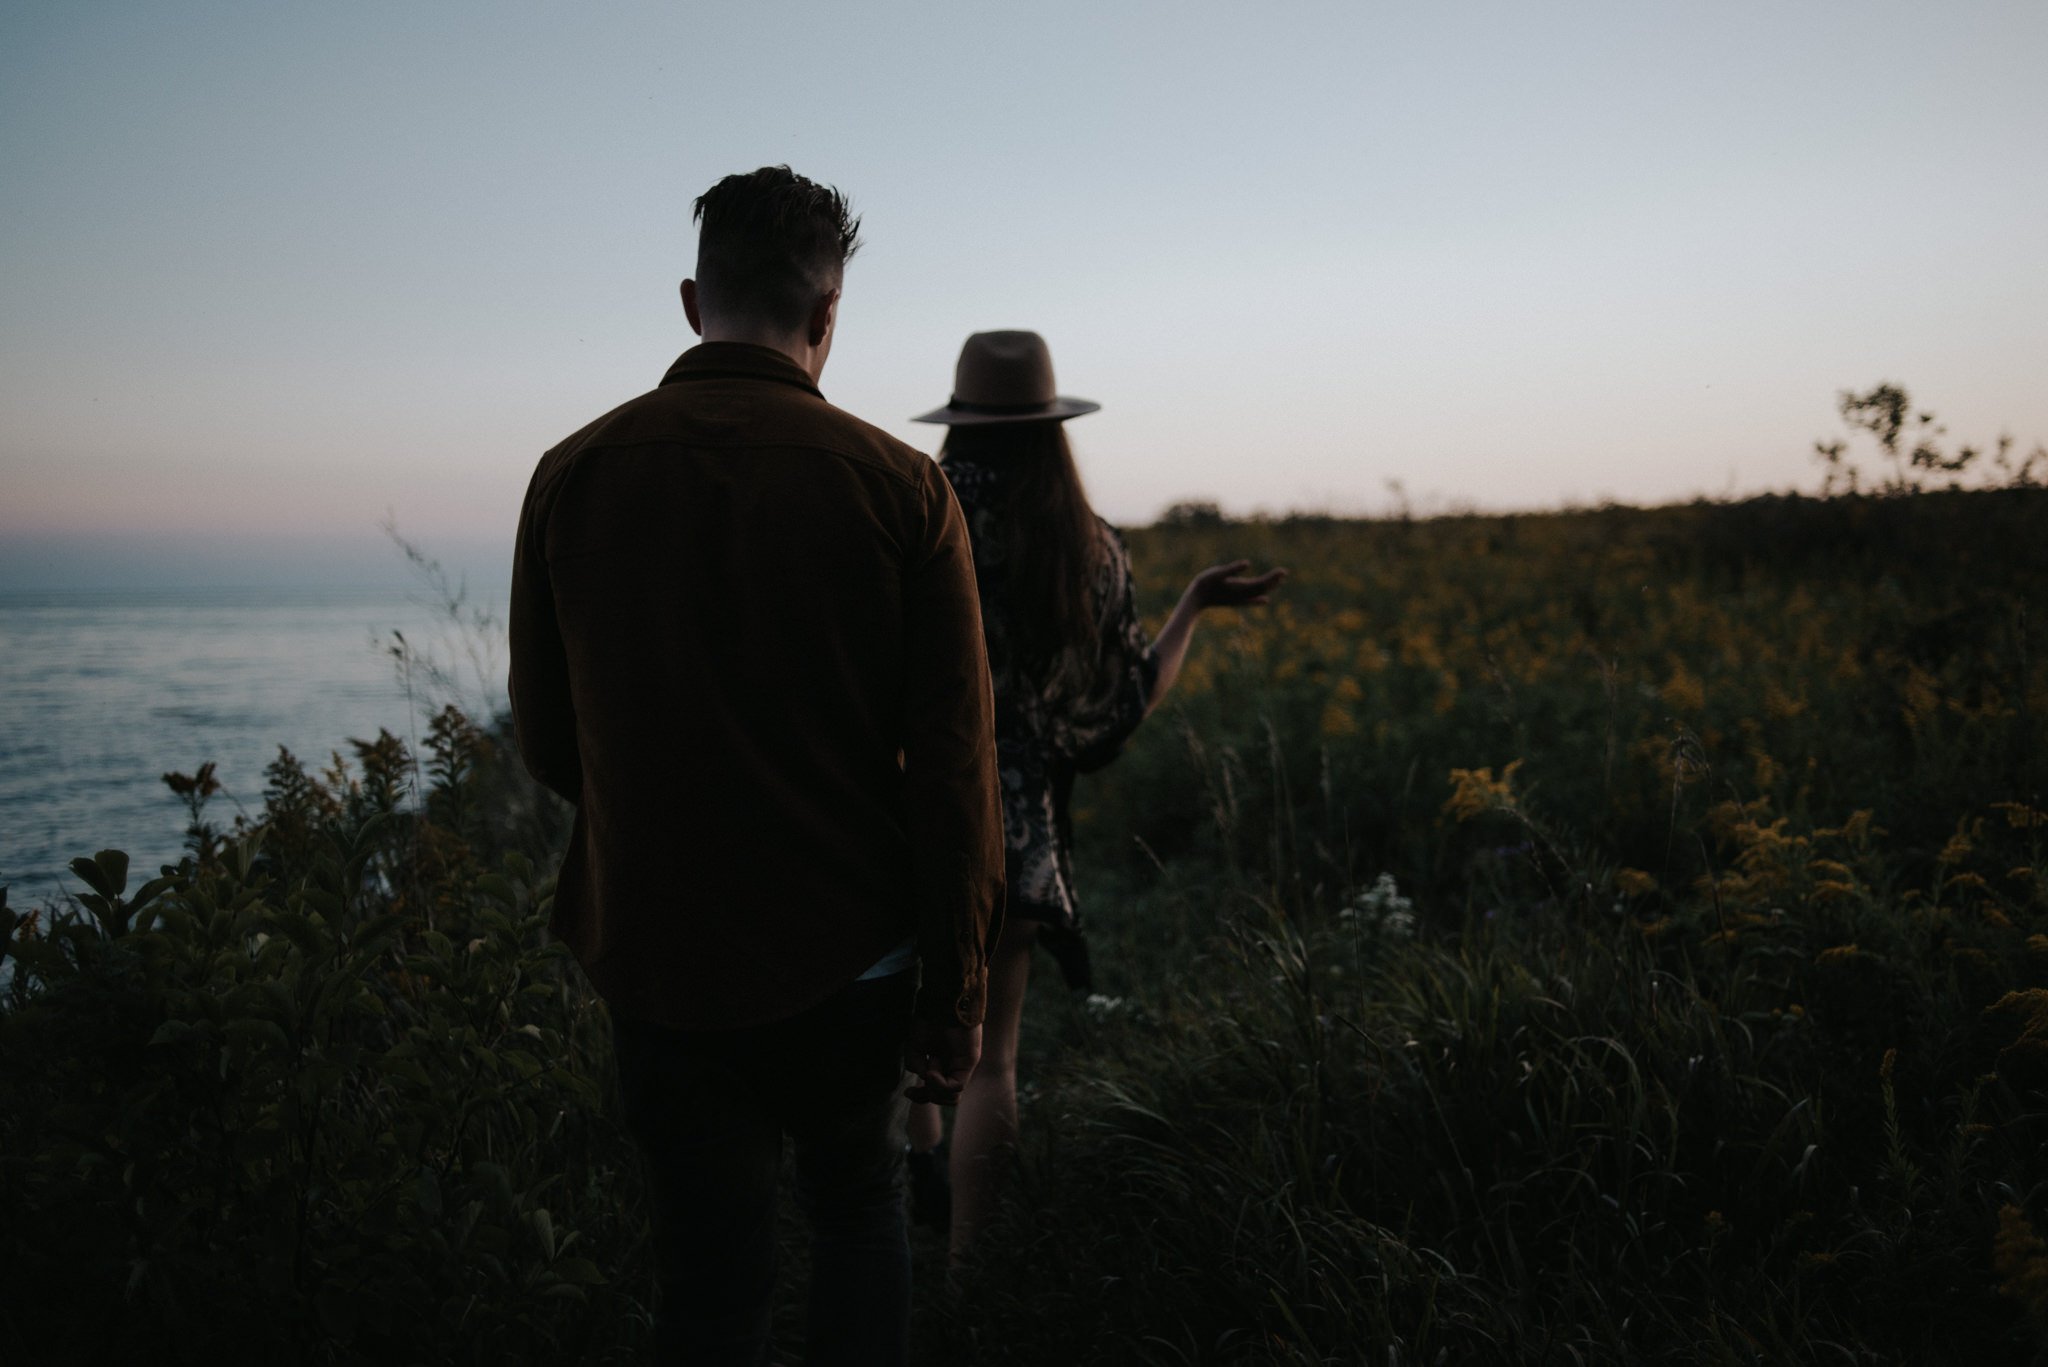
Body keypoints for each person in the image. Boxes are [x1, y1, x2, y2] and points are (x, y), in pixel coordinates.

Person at [508, 167, 1005, 1367]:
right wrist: (956, 984)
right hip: (855, 954)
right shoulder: (904, 489)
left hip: (658, 948)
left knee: (711, 1281)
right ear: (828, 314)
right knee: (855, 1214)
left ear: (692, 300)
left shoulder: (571, 474)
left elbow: (546, 738)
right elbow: (953, 769)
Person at [902, 330, 1285, 1264]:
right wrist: (1191, 605)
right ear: (1050, 426)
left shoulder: (911, 520)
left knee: (902, 1035)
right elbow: (1118, 708)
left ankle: (896, 1224)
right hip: (1017, 832)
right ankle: (967, 1288)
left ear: (960, 420)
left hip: (904, 806)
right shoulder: (1088, 546)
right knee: (993, 1058)